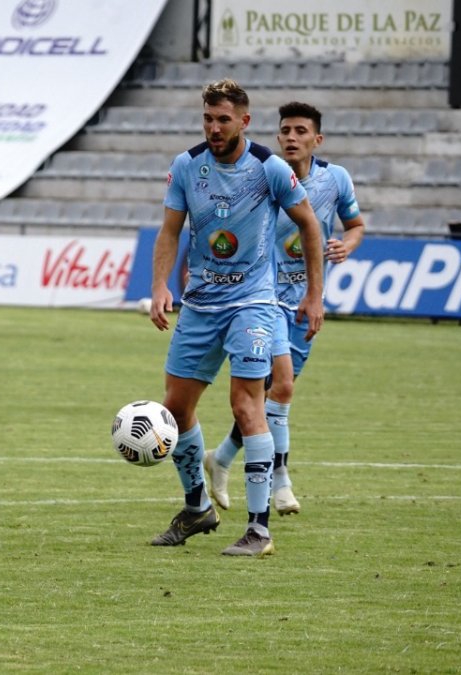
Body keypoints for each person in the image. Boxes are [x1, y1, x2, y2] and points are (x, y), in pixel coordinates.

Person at [148, 79, 326, 557]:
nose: (214, 128)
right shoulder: (187, 166)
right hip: (200, 305)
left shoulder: (269, 168)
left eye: (223, 119)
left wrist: (314, 295)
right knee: (175, 408)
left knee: (246, 406)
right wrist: (160, 285)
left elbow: (309, 225)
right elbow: (170, 231)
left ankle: (258, 530)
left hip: (253, 304)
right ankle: (197, 507)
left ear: (244, 121)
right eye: (208, 118)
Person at [204, 101, 365, 516]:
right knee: (284, 388)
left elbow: (355, 225)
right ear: (277, 136)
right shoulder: (263, 176)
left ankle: (221, 457)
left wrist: (346, 246)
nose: (292, 137)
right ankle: (281, 482)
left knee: (269, 395)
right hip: (263, 298)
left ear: (317, 139)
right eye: (286, 131)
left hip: (305, 301)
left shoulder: (335, 180)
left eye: (300, 131)